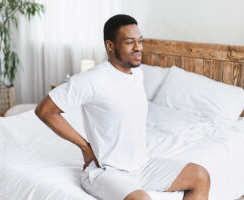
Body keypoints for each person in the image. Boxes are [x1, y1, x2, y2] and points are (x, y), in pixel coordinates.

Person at [35, 14, 210, 200]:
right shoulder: (92, 80)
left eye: (140, 41)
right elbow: (45, 111)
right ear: (110, 46)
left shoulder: (137, 74)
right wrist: (85, 147)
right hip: (106, 172)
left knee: (200, 176)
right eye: (130, 42)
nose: (139, 48)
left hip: (142, 165)